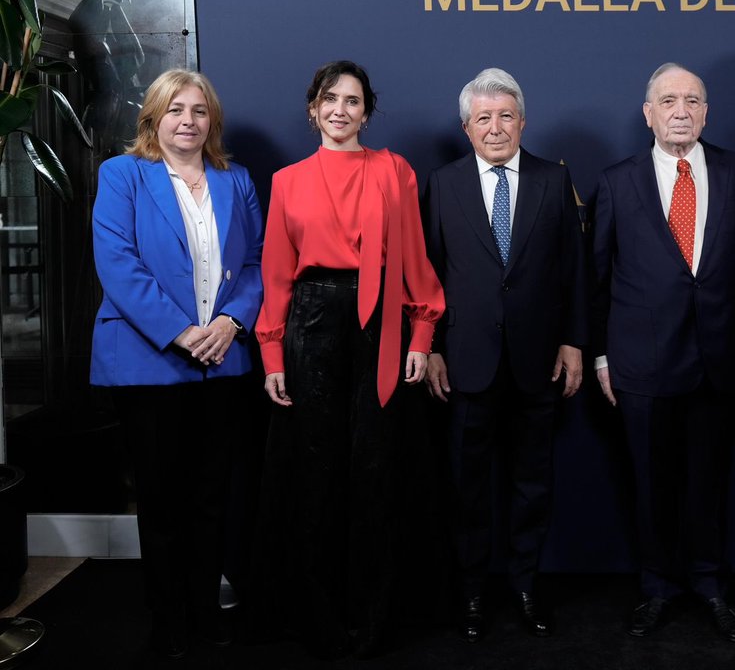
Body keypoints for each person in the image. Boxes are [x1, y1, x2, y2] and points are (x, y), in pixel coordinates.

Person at [253, 60, 445, 659]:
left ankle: (372, 620)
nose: (341, 110)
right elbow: (277, 275)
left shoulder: (394, 171)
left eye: (353, 101)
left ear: (368, 111)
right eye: (330, 99)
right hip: (312, 321)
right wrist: (272, 352)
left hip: (381, 319)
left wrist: (421, 338)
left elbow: (413, 258)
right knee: (314, 472)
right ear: (313, 108)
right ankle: (318, 619)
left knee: (375, 470)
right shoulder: (287, 180)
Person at [91, 69, 263, 660]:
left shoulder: (235, 179)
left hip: (223, 360)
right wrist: (184, 332)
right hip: (148, 362)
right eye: (175, 110)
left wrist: (229, 323)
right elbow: (117, 263)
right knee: (161, 499)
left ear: (211, 121)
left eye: (198, 111)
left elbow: (256, 264)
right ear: (153, 119)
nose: (187, 121)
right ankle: (166, 616)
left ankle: (204, 607)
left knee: (212, 495)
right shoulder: (123, 176)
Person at [592, 63, 735, 643]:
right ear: (648, 113)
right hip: (642, 363)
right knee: (651, 481)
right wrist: (601, 358)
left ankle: (711, 584)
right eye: (668, 100)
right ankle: (657, 587)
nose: (681, 110)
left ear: (706, 113)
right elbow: (597, 278)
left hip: (722, 357)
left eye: (692, 100)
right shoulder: (616, 181)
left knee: (712, 481)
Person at [422, 67, 587, 642]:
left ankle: (524, 586)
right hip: (465, 362)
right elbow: (429, 275)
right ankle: (470, 592)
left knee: (532, 484)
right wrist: (433, 347)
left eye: (506, 116)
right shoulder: (442, 184)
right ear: (466, 127)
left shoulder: (552, 180)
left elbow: (574, 271)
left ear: (523, 120)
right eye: (483, 118)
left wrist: (573, 340)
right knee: (467, 487)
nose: (496, 128)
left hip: (537, 361)